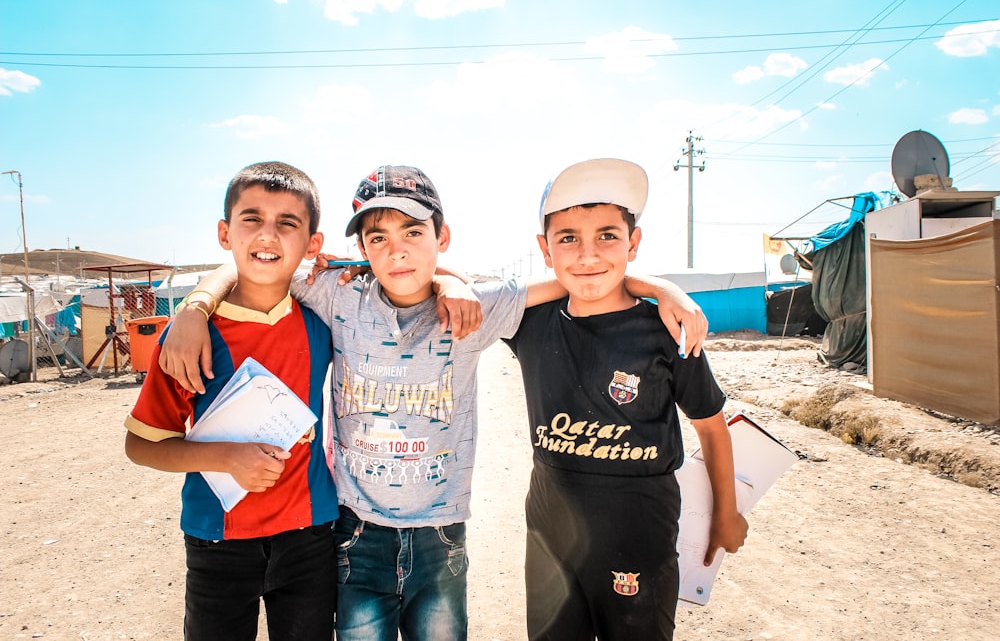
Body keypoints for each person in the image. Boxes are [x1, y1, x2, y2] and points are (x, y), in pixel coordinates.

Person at [157, 164, 709, 641]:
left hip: (441, 536)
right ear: (359, 248)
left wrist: (664, 289)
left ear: (442, 236)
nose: (397, 250)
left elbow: (578, 277)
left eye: (414, 231)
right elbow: (259, 259)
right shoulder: (335, 293)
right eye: (377, 238)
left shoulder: (479, 309)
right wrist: (196, 306)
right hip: (356, 532)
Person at [503, 158, 749, 641]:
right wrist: (657, 283)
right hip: (551, 542)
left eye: (608, 236)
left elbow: (710, 425)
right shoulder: (529, 324)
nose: (588, 253)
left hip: (640, 542)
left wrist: (725, 512)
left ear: (634, 243)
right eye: (568, 237)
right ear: (544, 249)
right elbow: (453, 288)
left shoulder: (665, 331)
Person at [123, 161, 340, 640]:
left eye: (288, 223)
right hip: (216, 540)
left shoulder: (322, 323)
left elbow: (399, 268)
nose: (268, 235)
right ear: (225, 233)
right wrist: (223, 457)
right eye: (251, 219)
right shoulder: (187, 342)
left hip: (311, 535)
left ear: (313, 244)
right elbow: (141, 444)